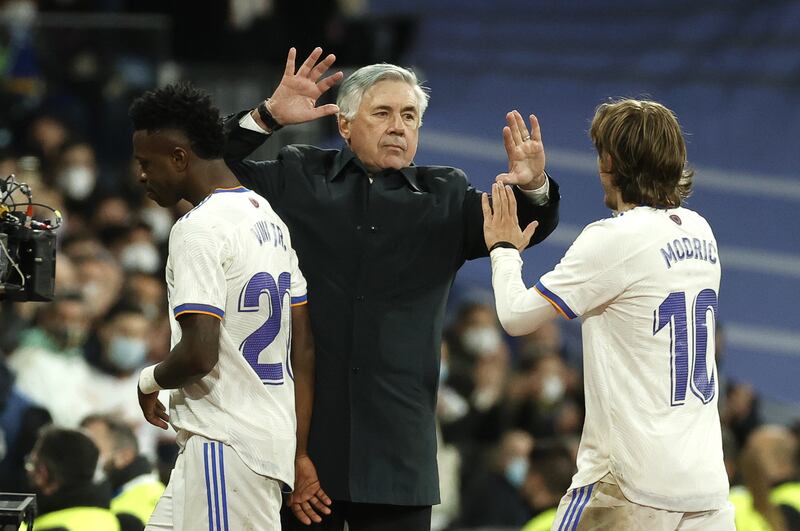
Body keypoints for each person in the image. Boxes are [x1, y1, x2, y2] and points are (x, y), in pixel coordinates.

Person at [222, 46, 561, 530]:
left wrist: (533, 188)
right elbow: (202, 166)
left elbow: (523, 222)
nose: (398, 126)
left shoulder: (445, 196)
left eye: (409, 116)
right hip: (299, 452)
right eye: (382, 113)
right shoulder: (299, 176)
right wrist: (268, 117)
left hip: (397, 458)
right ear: (344, 124)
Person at [483, 98, 733, 529]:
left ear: (610, 162)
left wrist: (504, 250)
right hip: (707, 487)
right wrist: (537, 184)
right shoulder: (700, 231)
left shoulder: (613, 239)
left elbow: (515, 317)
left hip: (630, 485)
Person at [129, 82, 316, 529]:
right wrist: (298, 448)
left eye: (145, 163)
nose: (140, 176)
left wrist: (148, 381)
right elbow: (303, 351)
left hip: (225, 443)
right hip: (254, 440)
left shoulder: (197, 228)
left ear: (178, 158)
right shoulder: (269, 219)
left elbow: (199, 353)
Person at [24, 426, 120, 531]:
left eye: (31, 463)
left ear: (43, 472)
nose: (28, 470)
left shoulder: (40, 526)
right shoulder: (110, 520)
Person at [81, 414, 166, 531]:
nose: (81, 455)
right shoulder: (104, 496)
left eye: (92, 448)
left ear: (125, 457)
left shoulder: (152, 503)